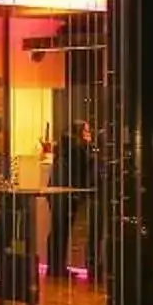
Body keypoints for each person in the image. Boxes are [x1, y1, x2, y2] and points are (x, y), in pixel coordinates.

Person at [49, 118, 98, 280]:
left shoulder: (64, 147)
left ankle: (54, 266)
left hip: (56, 191)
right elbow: (85, 168)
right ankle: (58, 268)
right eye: (86, 131)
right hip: (68, 193)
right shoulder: (77, 148)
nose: (89, 134)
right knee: (62, 230)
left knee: (57, 230)